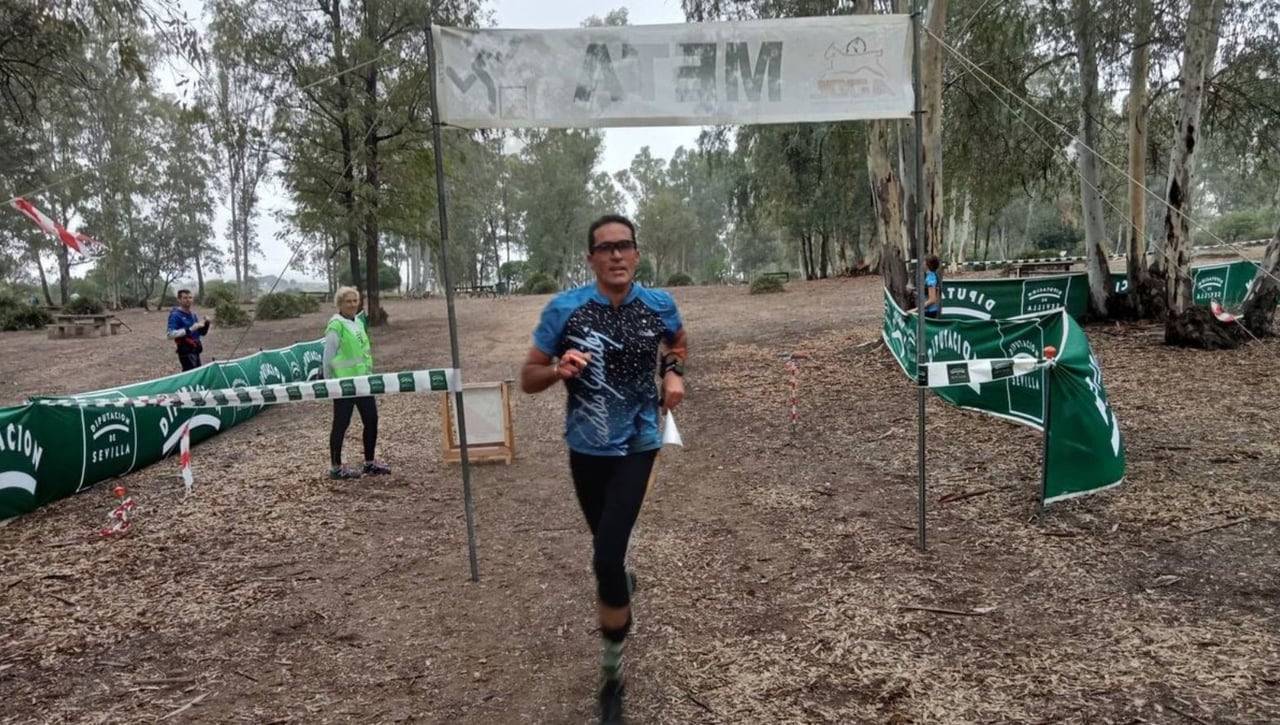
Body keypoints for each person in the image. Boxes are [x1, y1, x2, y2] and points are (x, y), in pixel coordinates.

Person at [520, 214, 687, 725]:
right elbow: (527, 377)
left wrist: (673, 374)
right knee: (607, 554)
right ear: (591, 259)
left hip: (639, 442)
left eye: (624, 245)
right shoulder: (565, 309)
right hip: (586, 449)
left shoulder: (659, 305)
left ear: (637, 253)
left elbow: (677, 343)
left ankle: (612, 675)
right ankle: (619, 578)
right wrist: (557, 370)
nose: (616, 255)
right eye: (605, 248)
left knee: (606, 556)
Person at [322, 286, 391, 480]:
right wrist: (328, 383)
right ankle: (336, 467)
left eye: (355, 301)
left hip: (363, 382)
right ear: (340, 304)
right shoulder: (336, 325)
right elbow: (328, 357)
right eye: (348, 301)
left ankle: (369, 462)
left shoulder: (358, 322)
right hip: (344, 385)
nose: (352, 305)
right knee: (341, 424)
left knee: (371, 420)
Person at [167, 289, 211, 371]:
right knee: (191, 375)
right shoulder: (175, 315)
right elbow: (170, 334)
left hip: (196, 349)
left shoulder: (193, 314)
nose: (188, 300)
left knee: (198, 374)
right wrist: (190, 329)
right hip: (185, 351)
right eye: (185, 298)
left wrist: (206, 324)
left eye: (190, 297)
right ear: (179, 299)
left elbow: (201, 333)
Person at [906, 254, 943, 318]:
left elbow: (932, 299)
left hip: (929, 312)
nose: (922, 263)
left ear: (927, 264)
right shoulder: (930, 276)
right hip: (926, 311)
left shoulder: (931, 279)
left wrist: (915, 309)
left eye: (924, 261)